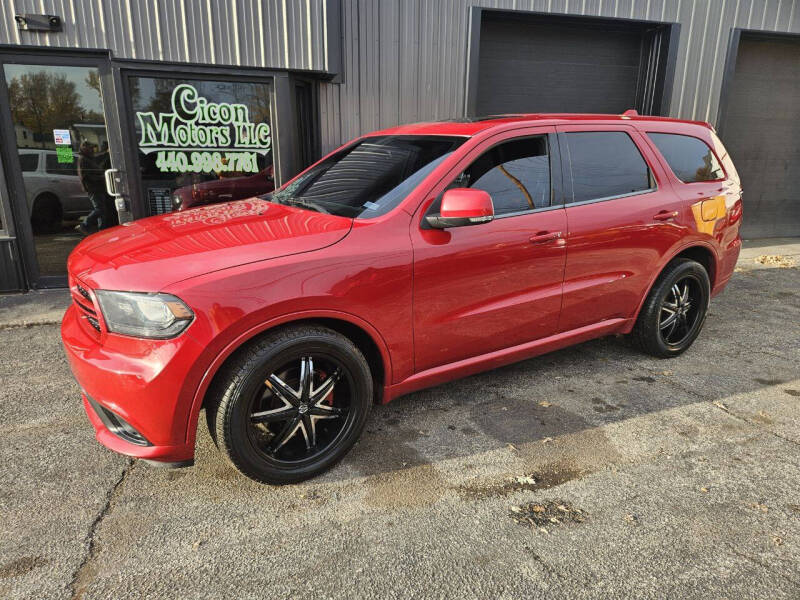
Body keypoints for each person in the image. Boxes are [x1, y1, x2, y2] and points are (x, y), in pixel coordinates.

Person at [76, 141, 109, 234]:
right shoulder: (83, 160)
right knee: (99, 209)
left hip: (98, 187)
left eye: (92, 148)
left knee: (102, 210)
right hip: (93, 188)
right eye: (90, 148)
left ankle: (102, 230)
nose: (92, 150)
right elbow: (85, 176)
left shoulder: (89, 158)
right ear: (84, 148)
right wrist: (101, 177)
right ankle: (84, 224)